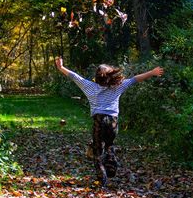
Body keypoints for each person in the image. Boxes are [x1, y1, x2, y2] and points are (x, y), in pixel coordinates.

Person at [55, 57, 164, 187]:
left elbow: (75, 76)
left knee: (97, 151)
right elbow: (136, 79)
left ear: (97, 77)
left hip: (99, 121)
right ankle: (111, 166)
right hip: (112, 122)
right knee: (109, 144)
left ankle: (102, 178)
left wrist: (61, 68)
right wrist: (152, 72)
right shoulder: (118, 86)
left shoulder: (90, 86)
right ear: (111, 76)